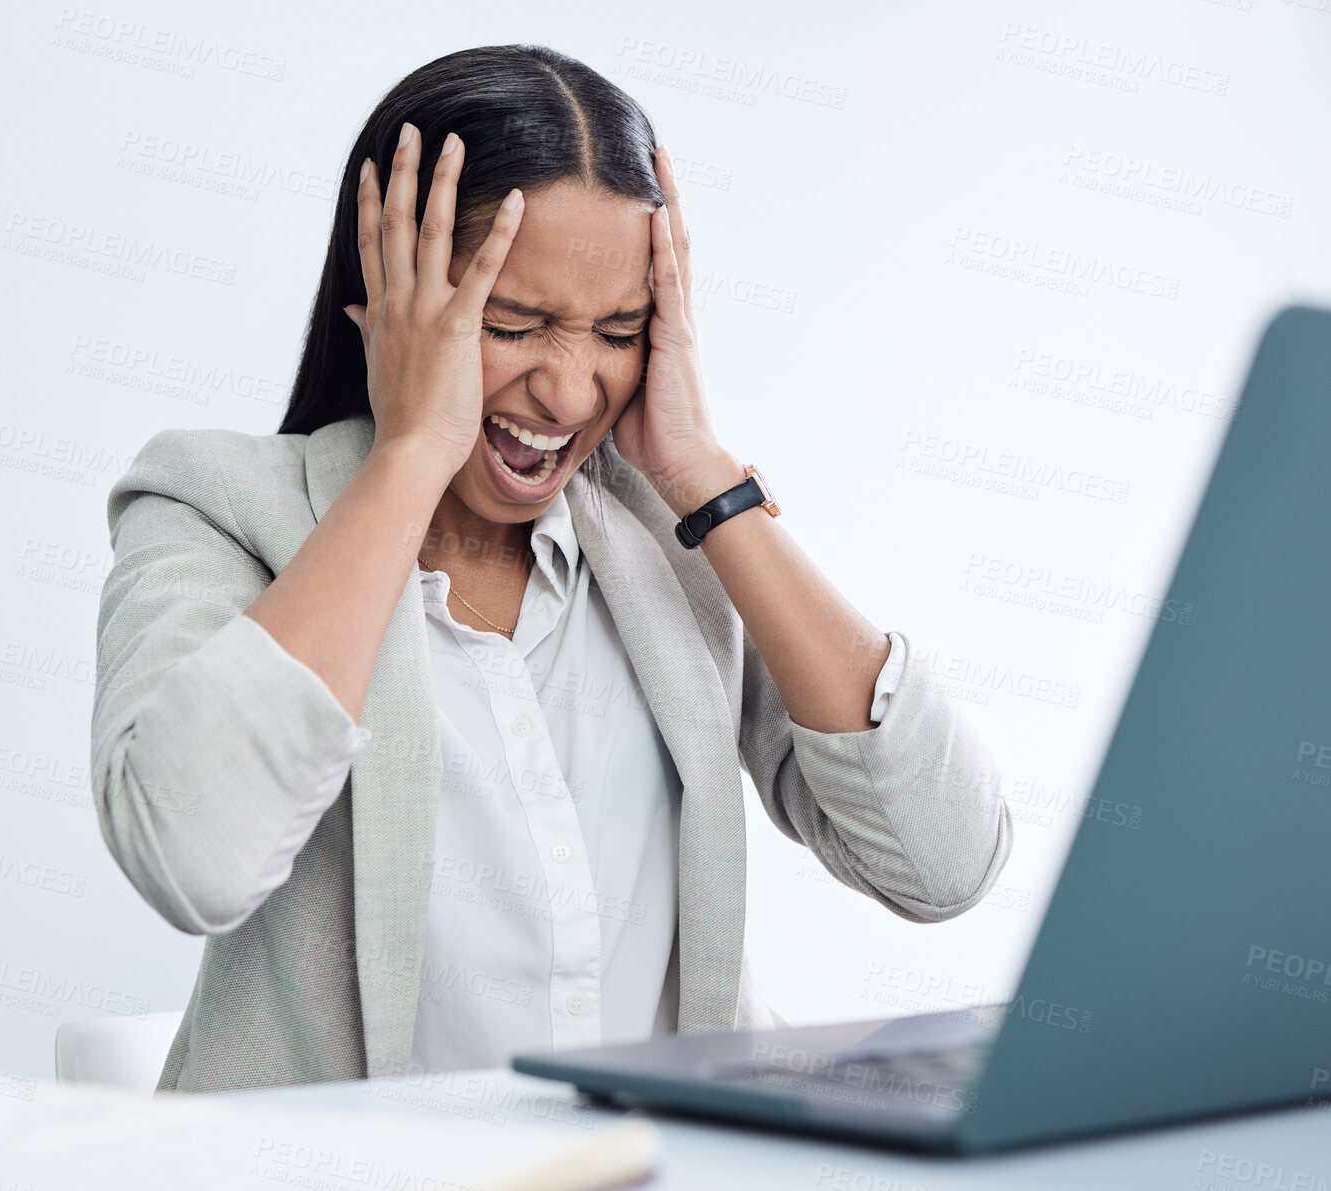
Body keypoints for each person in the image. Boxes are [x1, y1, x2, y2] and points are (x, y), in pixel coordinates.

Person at [90, 44, 1012, 1095]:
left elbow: (947, 864)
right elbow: (191, 858)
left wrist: (701, 473)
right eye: (512, 324)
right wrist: (407, 457)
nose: (571, 391)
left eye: (618, 331)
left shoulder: (668, 538)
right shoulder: (212, 504)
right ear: (388, 292)